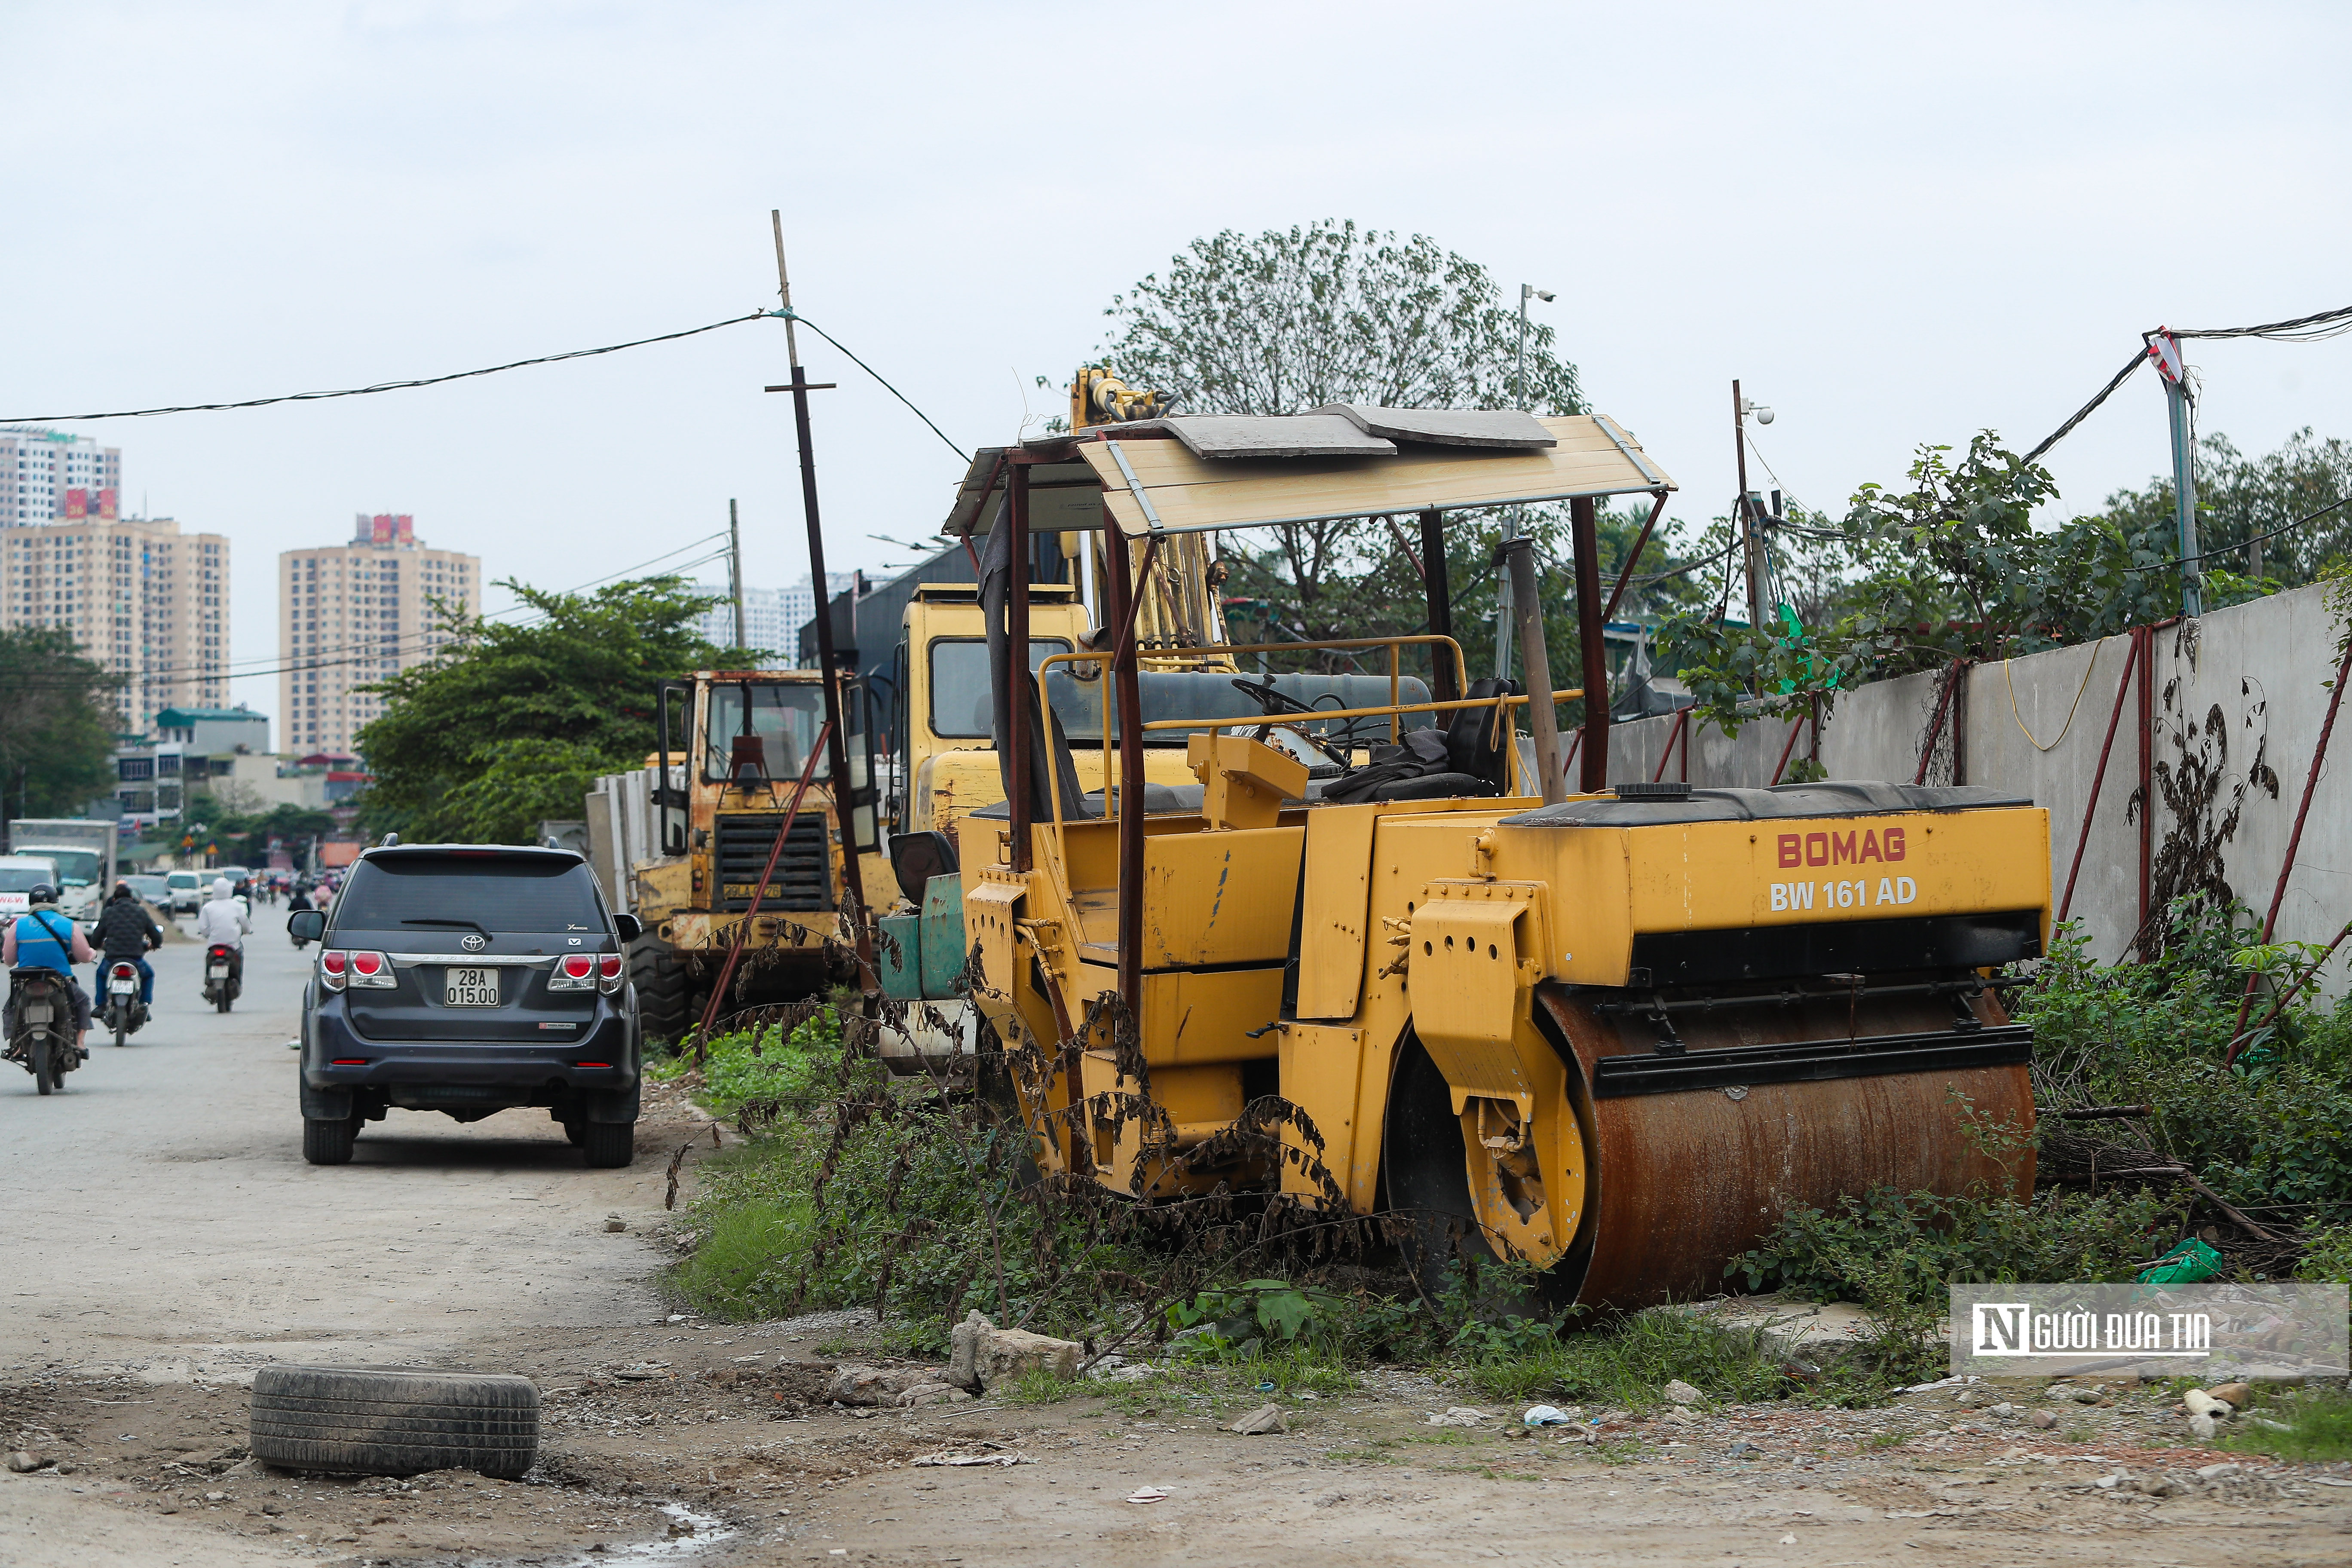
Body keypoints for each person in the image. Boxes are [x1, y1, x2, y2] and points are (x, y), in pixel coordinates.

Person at [3, 884, 94, 1058]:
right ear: (55, 901)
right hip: (59, 981)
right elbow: (83, 956)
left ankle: (17, 1044)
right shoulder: (69, 925)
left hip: (27, 982)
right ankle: (80, 1043)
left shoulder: (18, 926)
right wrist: (92, 954)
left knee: (11, 1008)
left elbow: (9, 960)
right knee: (82, 1002)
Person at [91, 880, 163, 1012]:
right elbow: (156, 936)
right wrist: (154, 945)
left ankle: (101, 1005)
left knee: (101, 974)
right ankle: (144, 1004)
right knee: (149, 975)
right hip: (135, 958)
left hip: (112, 958)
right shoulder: (141, 912)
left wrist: (99, 945)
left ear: (114, 899)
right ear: (131, 898)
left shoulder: (109, 913)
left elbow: (96, 938)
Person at [196, 876, 251, 991]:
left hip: (214, 946)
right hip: (233, 946)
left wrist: (209, 936)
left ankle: (209, 979)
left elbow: (203, 928)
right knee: (240, 956)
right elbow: (246, 925)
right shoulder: (237, 906)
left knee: (209, 960)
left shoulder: (207, 907)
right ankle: (237, 981)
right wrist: (246, 932)